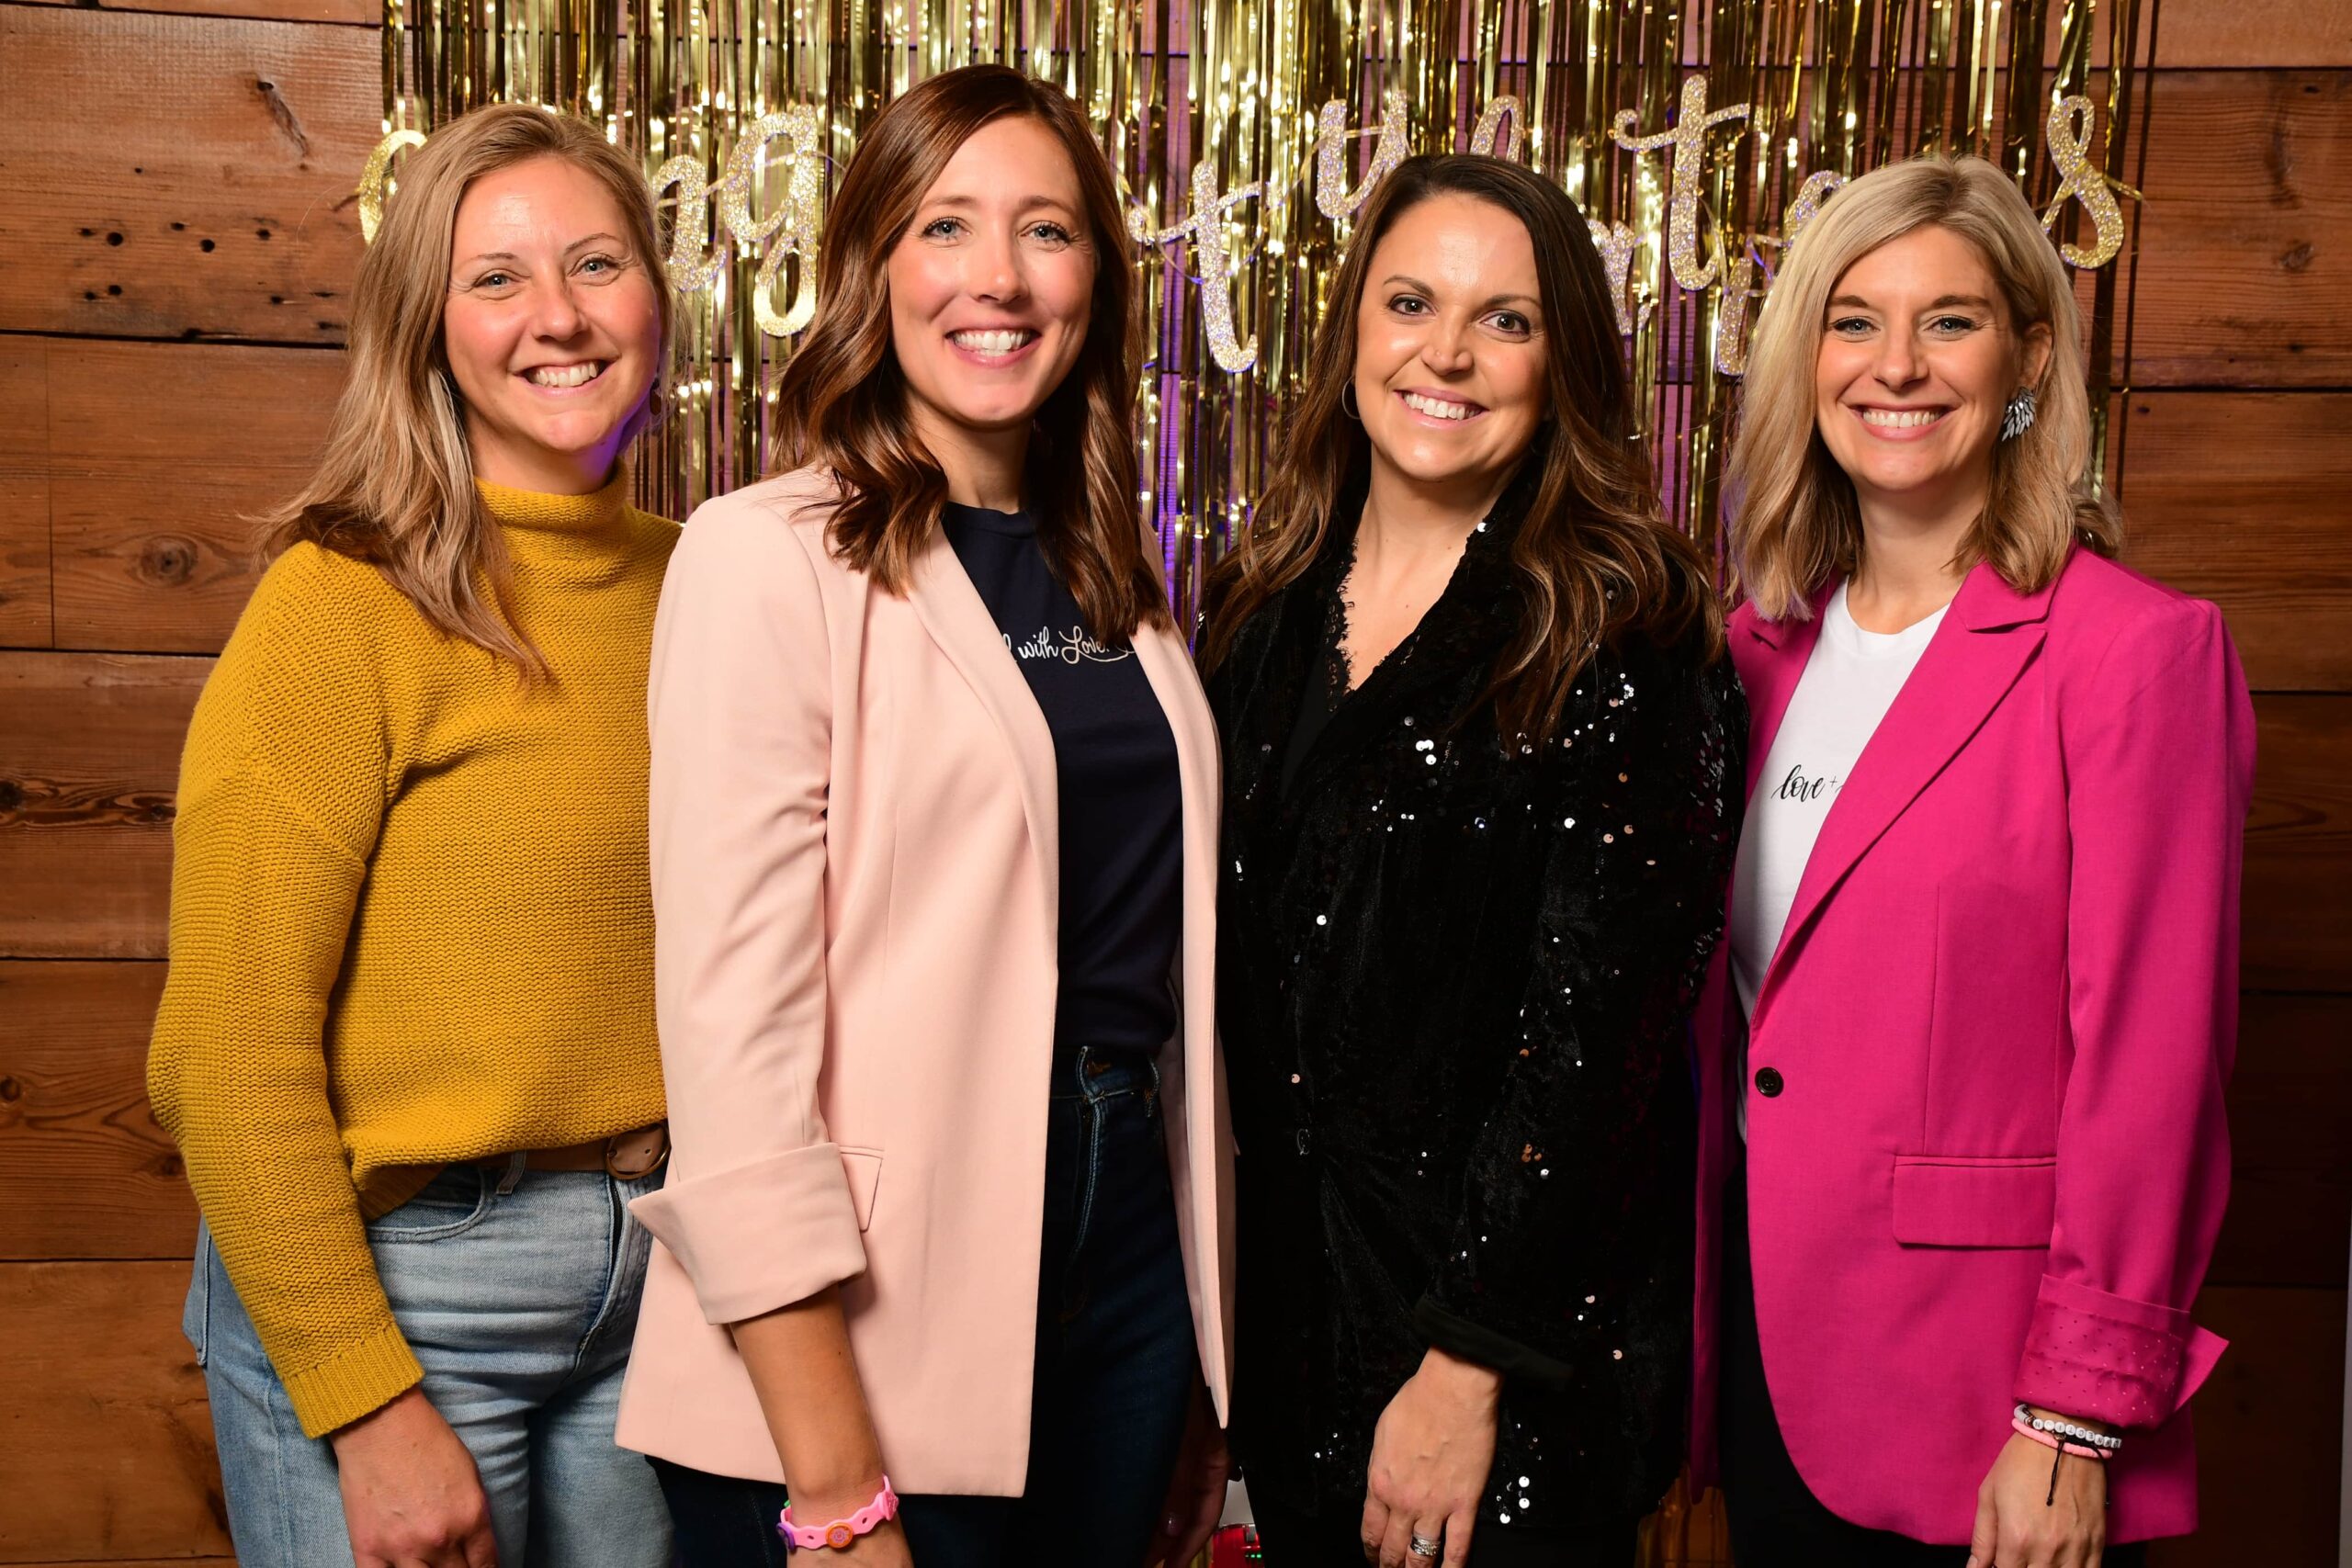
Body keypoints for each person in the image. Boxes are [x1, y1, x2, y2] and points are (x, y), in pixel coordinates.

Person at [616, 64, 1232, 1568]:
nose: (1000, 279)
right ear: (875, 265)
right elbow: (733, 1050)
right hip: (865, 1317)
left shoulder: (1122, 588)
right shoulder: (765, 559)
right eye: (946, 226)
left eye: (1049, 230)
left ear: (1096, 274)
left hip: (1125, 1276)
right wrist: (837, 1488)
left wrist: (1197, 1360)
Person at [1692, 153, 2253, 1568]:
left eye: (1949, 321)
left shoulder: (2131, 654)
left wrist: (2074, 1415)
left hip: (1985, 1390)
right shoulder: (1751, 650)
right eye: (1853, 318)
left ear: (2028, 357)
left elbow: (2154, 1066)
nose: (1897, 364)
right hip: (1765, 1338)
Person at [147, 103, 680, 1568]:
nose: (557, 316)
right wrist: (366, 1403)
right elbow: (226, 1048)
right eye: (495, 277)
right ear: (426, 328)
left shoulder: (711, 590)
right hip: (401, 1287)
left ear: (656, 298)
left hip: (661, 1291)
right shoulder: (344, 605)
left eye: (595, 263)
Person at [1197, 153, 1744, 1568]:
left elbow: (1600, 1052)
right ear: (1353, 335)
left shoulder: (1632, 636)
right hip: (1283, 1334)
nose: (1446, 352)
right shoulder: (1258, 614)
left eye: (1505, 319)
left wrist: (1462, 1370)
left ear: (1564, 359)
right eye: (1410, 303)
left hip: (1494, 1369)